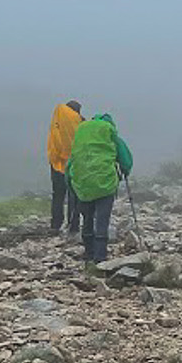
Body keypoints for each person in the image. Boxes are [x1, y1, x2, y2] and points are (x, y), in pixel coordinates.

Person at [66, 111, 132, 264]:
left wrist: (71, 184)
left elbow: (71, 162)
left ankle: (89, 253)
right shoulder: (109, 132)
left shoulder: (81, 134)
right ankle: (100, 257)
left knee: (87, 218)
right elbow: (125, 157)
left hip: (82, 184)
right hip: (105, 183)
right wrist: (125, 171)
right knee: (102, 220)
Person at [45, 99, 84, 236]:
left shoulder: (58, 118)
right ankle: (73, 226)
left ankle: (56, 225)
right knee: (73, 194)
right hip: (74, 163)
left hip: (57, 162)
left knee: (58, 194)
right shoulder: (80, 121)